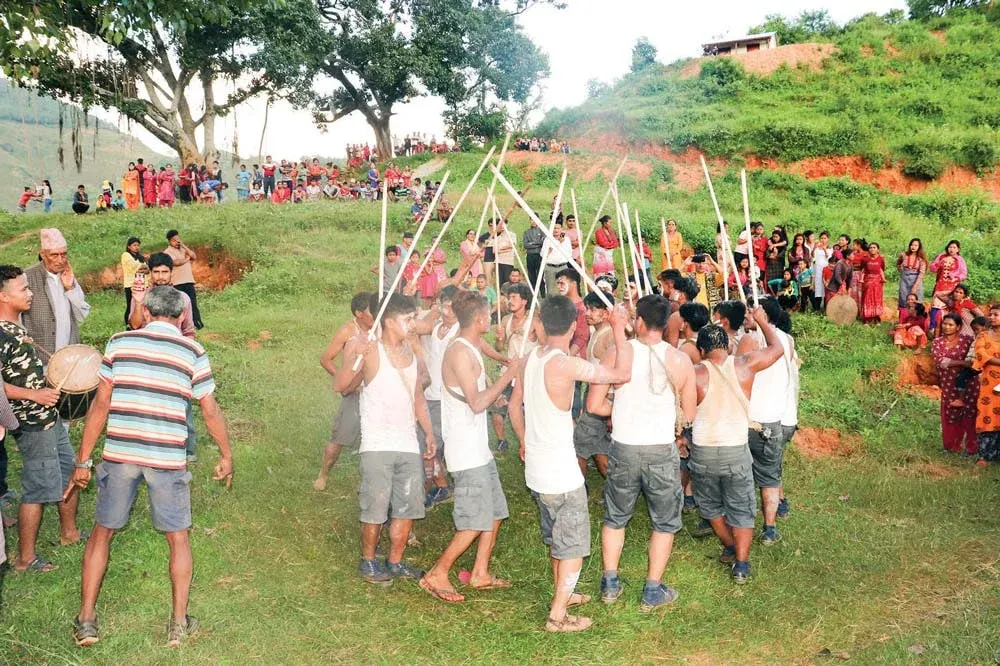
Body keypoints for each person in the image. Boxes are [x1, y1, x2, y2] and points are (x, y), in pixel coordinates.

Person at [66, 285, 232, 648]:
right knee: (178, 538)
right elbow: (209, 410)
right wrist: (226, 455)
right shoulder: (192, 351)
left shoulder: (119, 343)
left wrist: (83, 459)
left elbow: (100, 405)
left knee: (102, 533)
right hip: (166, 459)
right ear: (183, 315)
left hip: (121, 454)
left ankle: (87, 620)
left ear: (146, 312)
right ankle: (178, 625)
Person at [509, 296, 631, 632]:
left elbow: (513, 406)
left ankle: (564, 591)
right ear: (574, 325)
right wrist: (619, 329)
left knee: (556, 538)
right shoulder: (565, 364)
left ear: (543, 322)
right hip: (561, 474)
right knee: (573, 545)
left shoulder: (530, 359)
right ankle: (558, 615)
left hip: (537, 470)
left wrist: (523, 439)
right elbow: (622, 373)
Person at [593, 295, 696, 610]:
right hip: (661, 449)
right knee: (664, 521)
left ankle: (610, 582)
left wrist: (620, 409)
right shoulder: (680, 360)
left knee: (615, 516)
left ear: (638, 321)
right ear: (665, 325)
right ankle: (652, 589)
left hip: (624, 446)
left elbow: (594, 405)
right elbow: (689, 413)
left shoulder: (616, 353)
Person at [418, 291, 521, 603]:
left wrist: (502, 369)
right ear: (479, 319)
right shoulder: (460, 353)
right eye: (488, 315)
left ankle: (480, 573)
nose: (491, 319)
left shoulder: (471, 344)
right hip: (465, 450)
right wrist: (508, 376)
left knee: (495, 512)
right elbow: (477, 403)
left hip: (479, 448)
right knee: (475, 520)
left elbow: (476, 385)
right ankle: (437, 574)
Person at [335, 293, 436, 585]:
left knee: (408, 506)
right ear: (389, 322)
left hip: (408, 443)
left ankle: (395, 561)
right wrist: (356, 356)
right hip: (377, 445)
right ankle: (368, 561)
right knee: (376, 505)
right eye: (408, 319)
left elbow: (418, 397)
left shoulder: (411, 352)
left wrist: (429, 432)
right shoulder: (369, 349)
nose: (413, 324)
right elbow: (341, 385)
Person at [688, 311, 784, 584]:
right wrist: (761, 320)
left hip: (704, 451)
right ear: (729, 347)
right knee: (741, 507)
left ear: (701, 351)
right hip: (736, 450)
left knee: (711, 506)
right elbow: (777, 349)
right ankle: (741, 564)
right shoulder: (745, 365)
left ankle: (730, 545)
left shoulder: (694, 373)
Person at [0, 265, 83, 573]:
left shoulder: (17, 327)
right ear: (3, 296)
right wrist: (34, 395)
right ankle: (25, 558)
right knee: (37, 486)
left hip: (49, 416)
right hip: (32, 423)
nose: (30, 292)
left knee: (69, 469)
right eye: (23, 288)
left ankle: (69, 533)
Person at [743, 298, 795, 546]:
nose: (745, 315)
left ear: (761, 314)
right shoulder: (786, 339)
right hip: (776, 418)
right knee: (770, 476)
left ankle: (745, 520)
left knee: (747, 474)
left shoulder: (751, 341)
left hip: (752, 419)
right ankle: (770, 527)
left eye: (749, 311)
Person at [314, 293, 374, 491]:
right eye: (371, 311)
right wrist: (343, 379)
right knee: (339, 438)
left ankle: (369, 481)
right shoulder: (348, 330)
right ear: (359, 313)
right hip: (354, 393)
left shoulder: (381, 327)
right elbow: (325, 359)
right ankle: (324, 473)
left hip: (375, 392)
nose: (375, 314)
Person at [22, 228, 91, 360]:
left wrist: (69, 288)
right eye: (54, 255)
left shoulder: (68, 277)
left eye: (63, 255)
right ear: (43, 254)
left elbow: (82, 315)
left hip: (68, 357)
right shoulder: (27, 278)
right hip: (39, 359)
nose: (60, 260)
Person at [573, 291, 615, 479]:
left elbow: (617, 375)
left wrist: (611, 412)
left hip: (604, 401)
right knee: (598, 447)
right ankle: (615, 487)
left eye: (593, 309)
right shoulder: (597, 332)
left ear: (606, 313)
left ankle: (580, 488)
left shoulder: (609, 336)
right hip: (595, 399)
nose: (587, 313)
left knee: (578, 444)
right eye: (587, 309)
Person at [932, 314, 978, 455]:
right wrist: (963, 363)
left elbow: (975, 357)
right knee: (950, 413)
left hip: (970, 382)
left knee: (970, 413)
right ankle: (951, 446)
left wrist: (954, 363)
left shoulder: (967, 340)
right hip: (948, 383)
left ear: (958, 327)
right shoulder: (937, 342)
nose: (946, 327)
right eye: (945, 324)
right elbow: (940, 361)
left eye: (950, 325)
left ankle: (972, 448)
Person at [972, 304, 1000, 467]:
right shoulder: (983, 335)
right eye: (991, 314)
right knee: (987, 414)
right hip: (989, 383)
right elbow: (981, 354)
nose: (992, 317)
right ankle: (985, 456)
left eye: (996, 315)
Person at [163, 230, 204, 329]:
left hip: (188, 281)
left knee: (192, 303)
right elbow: (176, 262)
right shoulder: (167, 252)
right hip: (177, 282)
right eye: (174, 240)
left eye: (178, 239)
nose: (177, 242)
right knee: (179, 305)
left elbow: (194, 256)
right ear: (169, 241)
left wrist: (184, 245)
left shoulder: (183, 249)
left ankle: (197, 323)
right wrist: (186, 259)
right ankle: (178, 325)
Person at [929, 240, 968, 334]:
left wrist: (956, 278)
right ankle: (933, 329)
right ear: (947, 248)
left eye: (954, 247)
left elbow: (964, 274)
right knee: (936, 307)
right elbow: (932, 268)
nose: (952, 249)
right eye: (950, 247)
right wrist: (939, 263)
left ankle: (949, 330)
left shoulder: (960, 259)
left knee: (951, 308)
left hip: (952, 287)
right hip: (940, 285)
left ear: (958, 249)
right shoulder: (941, 256)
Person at [896, 238, 927, 319]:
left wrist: (915, 286)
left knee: (916, 300)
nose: (913, 247)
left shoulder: (921, 259)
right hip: (904, 280)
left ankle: (917, 320)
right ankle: (903, 320)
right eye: (912, 245)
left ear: (919, 247)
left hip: (916, 280)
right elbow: (898, 265)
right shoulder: (904, 255)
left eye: (916, 245)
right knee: (903, 299)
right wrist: (900, 266)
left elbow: (921, 273)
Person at [120, 237, 146, 328]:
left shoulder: (140, 257)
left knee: (140, 305)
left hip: (142, 284)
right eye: (134, 245)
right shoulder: (126, 255)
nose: (136, 247)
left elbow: (146, 269)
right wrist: (143, 267)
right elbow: (135, 266)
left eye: (138, 245)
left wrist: (143, 268)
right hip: (130, 284)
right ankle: (128, 324)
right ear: (129, 246)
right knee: (130, 305)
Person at [860, 242, 886, 324]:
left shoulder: (881, 259)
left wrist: (882, 278)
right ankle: (867, 319)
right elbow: (863, 269)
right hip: (867, 281)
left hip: (878, 282)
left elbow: (882, 269)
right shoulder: (865, 259)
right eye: (870, 248)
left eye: (874, 247)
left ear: (878, 249)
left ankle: (876, 318)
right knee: (867, 298)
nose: (872, 249)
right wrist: (862, 279)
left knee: (877, 299)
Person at [810, 232, 833, 311]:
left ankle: (827, 307)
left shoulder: (830, 248)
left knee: (826, 286)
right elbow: (812, 256)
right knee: (818, 287)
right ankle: (817, 308)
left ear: (828, 239)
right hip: (818, 269)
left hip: (826, 269)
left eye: (825, 238)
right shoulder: (817, 248)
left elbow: (828, 258)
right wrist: (814, 248)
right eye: (822, 238)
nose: (823, 240)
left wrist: (824, 249)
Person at [523, 216, 545, 290]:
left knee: (540, 275)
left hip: (539, 255)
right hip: (530, 255)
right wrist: (537, 243)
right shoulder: (526, 232)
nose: (533, 222)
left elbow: (543, 242)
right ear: (530, 221)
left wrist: (532, 243)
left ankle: (543, 293)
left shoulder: (542, 231)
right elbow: (525, 245)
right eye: (531, 220)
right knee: (531, 275)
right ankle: (533, 293)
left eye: (535, 220)